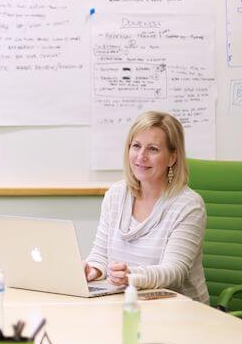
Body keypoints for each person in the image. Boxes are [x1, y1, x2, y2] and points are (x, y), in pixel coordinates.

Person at [85, 111, 209, 303]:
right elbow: (101, 255)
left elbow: (174, 272)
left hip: (178, 313)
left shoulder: (188, 205)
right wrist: (93, 269)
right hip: (124, 304)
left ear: (172, 157)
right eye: (136, 146)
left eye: (153, 149)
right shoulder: (116, 195)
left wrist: (130, 277)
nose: (141, 156)